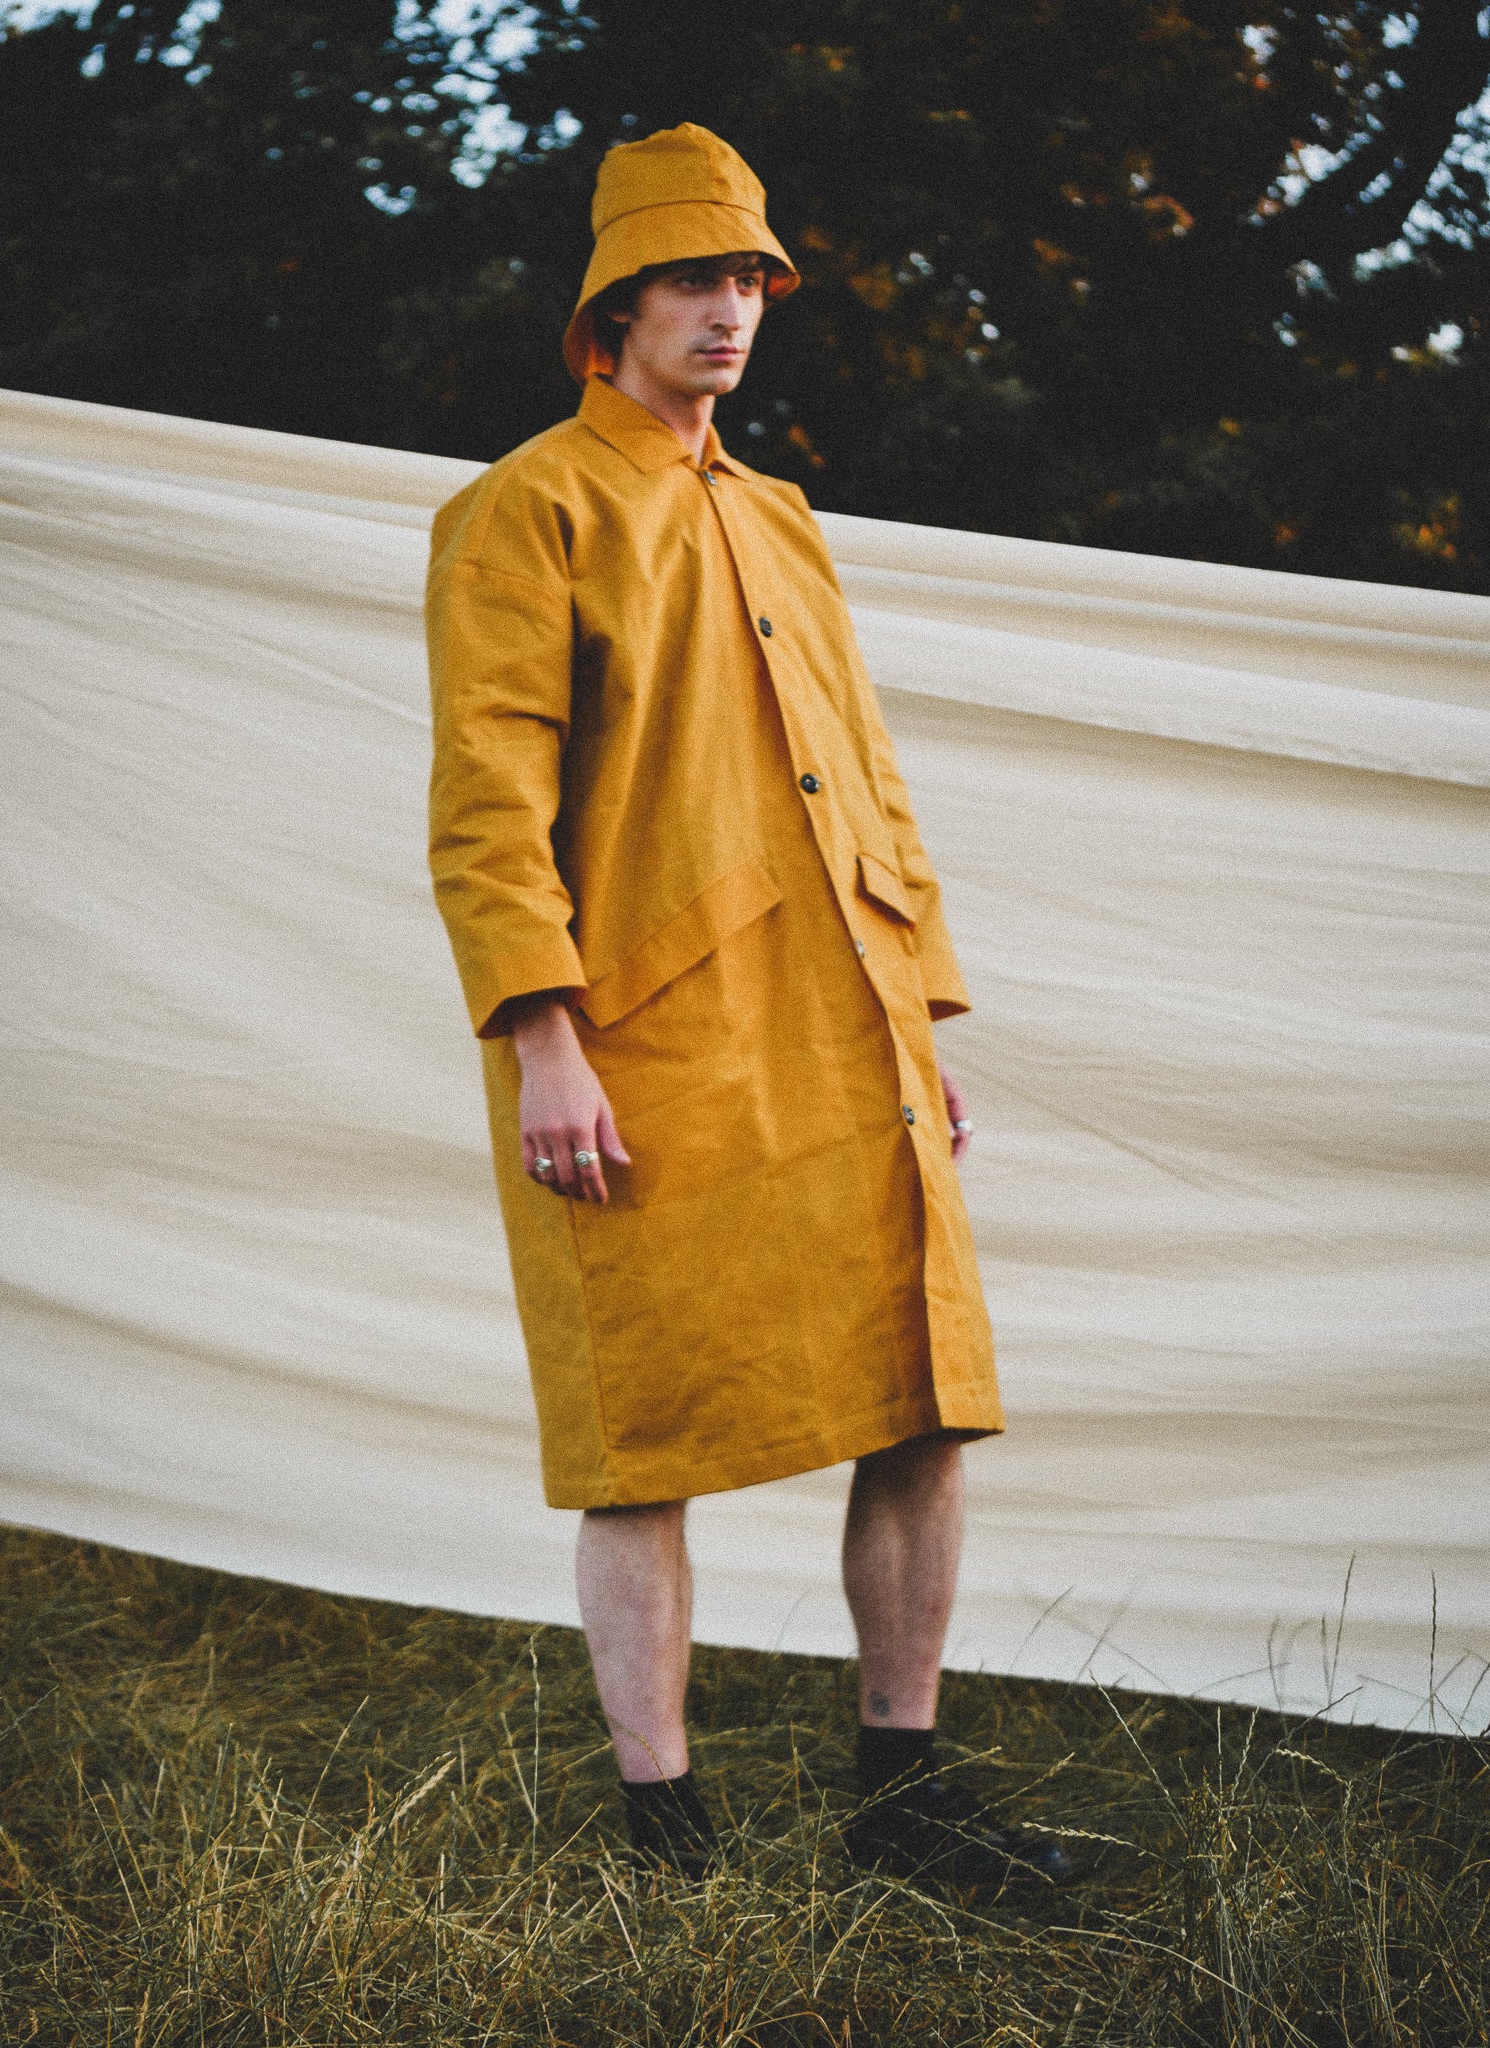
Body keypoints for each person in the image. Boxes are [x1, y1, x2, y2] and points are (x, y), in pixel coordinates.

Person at [426, 123, 1071, 1891]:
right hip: (633, 1040)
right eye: (694, 278)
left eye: (749, 280)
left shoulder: (780, 519)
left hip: (844, 1014)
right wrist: (543, 1035)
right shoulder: (524, 507)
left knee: (925, 1396)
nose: (728, 311)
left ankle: (901, 1795)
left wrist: (918, 1020)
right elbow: (489, 799)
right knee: (644, 1428)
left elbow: (870, 776)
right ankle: (666, 1825)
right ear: (613, 303)